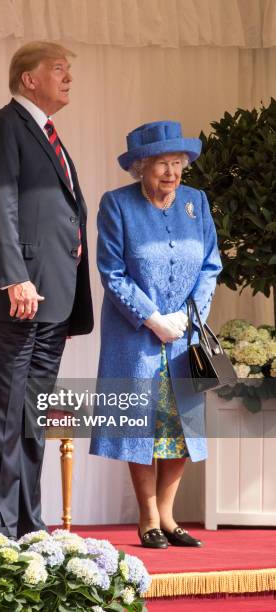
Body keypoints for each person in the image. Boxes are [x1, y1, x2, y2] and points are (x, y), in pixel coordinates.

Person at [0, 41, 93, 538]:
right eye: (58, 68)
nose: (68, 76)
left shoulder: (48, 134)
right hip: (7, 298)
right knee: (1, 421)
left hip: (50, 304)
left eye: (68, 69)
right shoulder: (1, 127)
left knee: (31, 422)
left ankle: (29, 528)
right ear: (28, 79)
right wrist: (15, 277)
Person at [90, 121, 222, 548]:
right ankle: (147, 516)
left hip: (185, 335)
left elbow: (210, 266)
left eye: (178, 163)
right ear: (140, 167)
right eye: (162, 163)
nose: (171, 172)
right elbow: (112, 271)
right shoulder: (117, 205)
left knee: (180, 426)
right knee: (139, 425)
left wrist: (190, 316)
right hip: (135, 335)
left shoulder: (196, 203)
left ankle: (168, 515)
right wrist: (152, 318)